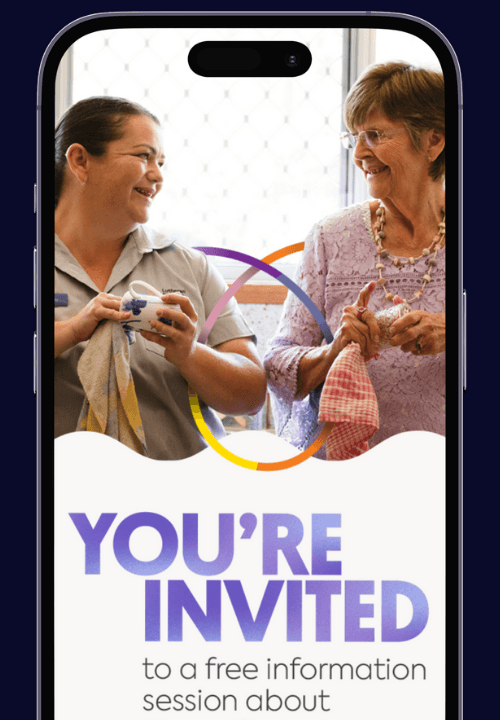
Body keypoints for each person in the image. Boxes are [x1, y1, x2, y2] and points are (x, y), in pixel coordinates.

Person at [54, 96, 266, 459]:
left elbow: (251, 395)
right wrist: (72, 331)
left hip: (178, 505)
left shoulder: (190, 267)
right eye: (143, 156)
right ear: (80, 161)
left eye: (161, 162)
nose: (158, 175)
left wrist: (189, 353)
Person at [264, 62, 445, 457]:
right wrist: (334, 351)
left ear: (433, 141)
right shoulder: (331, 237)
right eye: (355, 138)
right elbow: (277, 366)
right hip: (341, 482)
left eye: (375, 135)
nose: (360, 153)